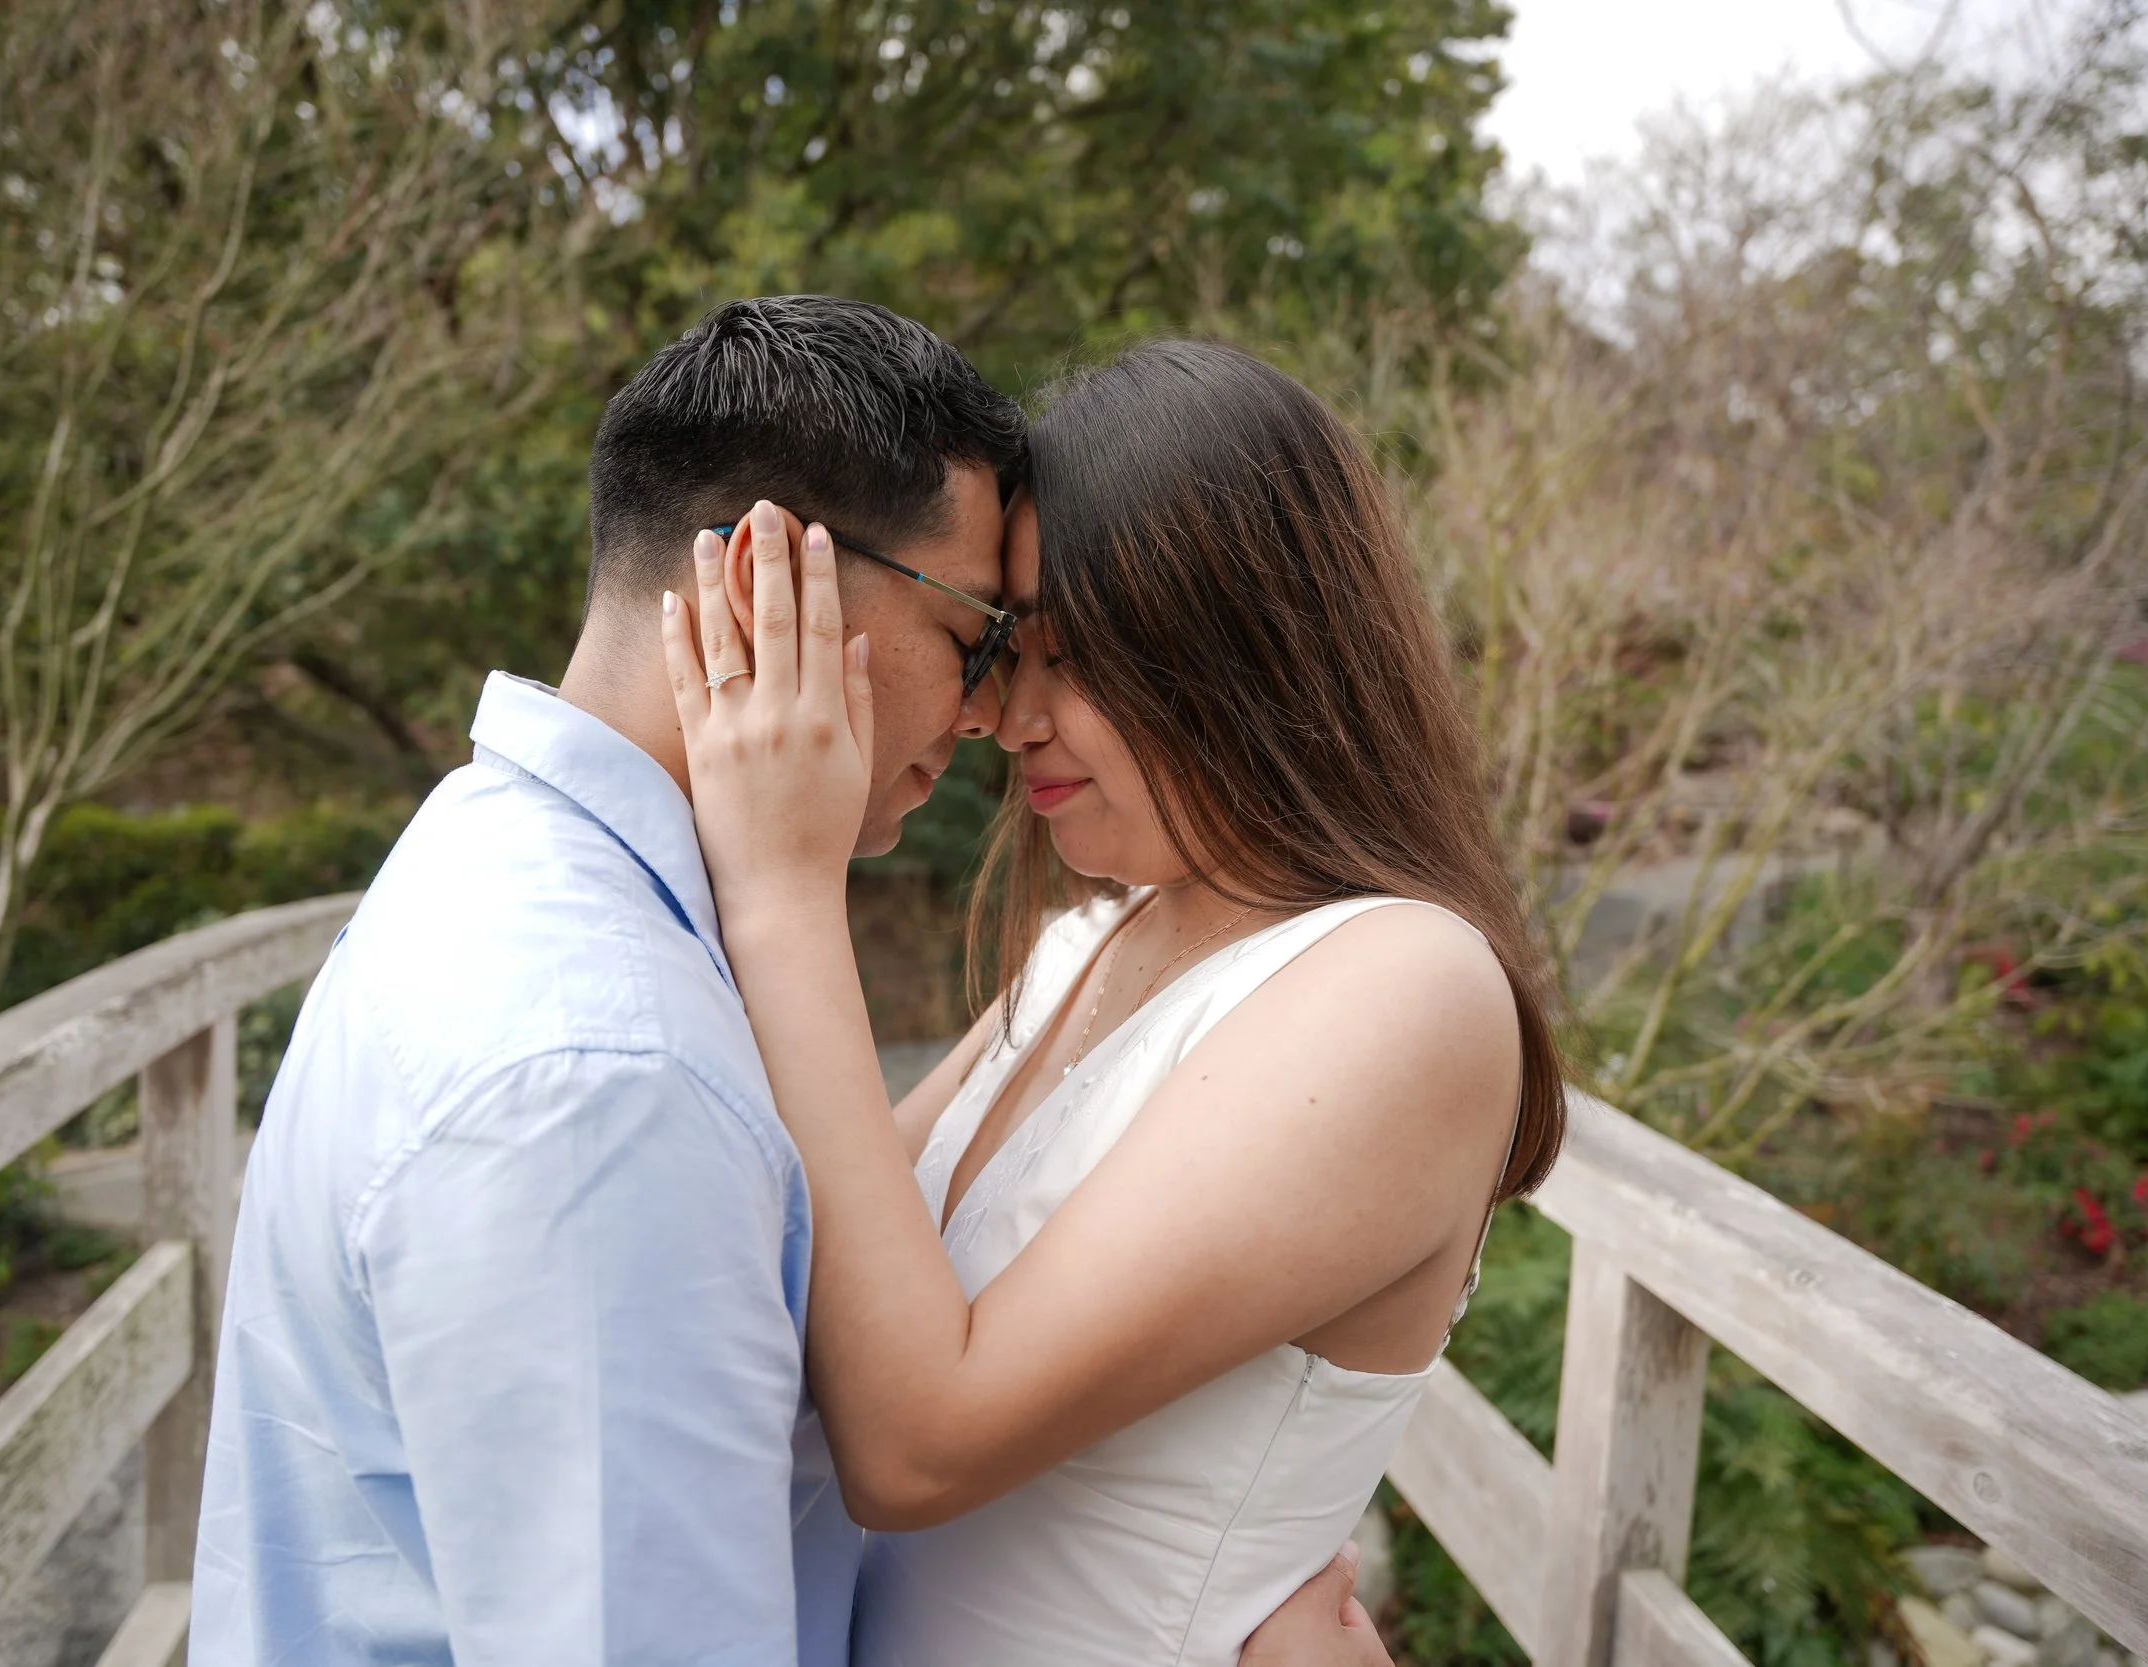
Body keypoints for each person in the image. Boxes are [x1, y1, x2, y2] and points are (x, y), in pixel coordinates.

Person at [188, 298, 1388, 1667]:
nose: (989, 714)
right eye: (979, 637)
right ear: (766, 582)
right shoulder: (601, 1073)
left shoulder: (497, 873)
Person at [663, 339, 1568, 1665]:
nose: (1008, 713)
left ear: (1247, 647)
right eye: (1009, 649)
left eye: (1075, 656)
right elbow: (798, 1252)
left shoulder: (1405, 987)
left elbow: (918, 1442)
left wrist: (786, 888)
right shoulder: (1093, 936)